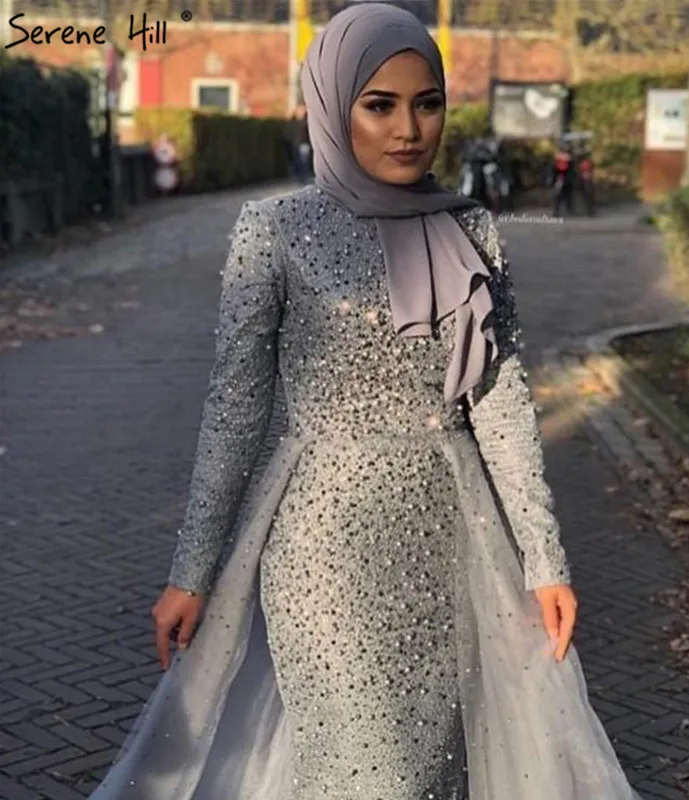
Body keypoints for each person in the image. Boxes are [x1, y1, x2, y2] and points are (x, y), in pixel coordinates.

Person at [89, 5, 645, 798]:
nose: (409, 129)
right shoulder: (273, 231)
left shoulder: (472, 231)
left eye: (428, 103)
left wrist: (545, 559)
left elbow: (500, 405)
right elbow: (235, 411)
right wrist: (192, 571)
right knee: (364, 767)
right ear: (331, 104)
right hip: (320, 553)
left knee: (426, 771)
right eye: (379, 104)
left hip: (450, 543)